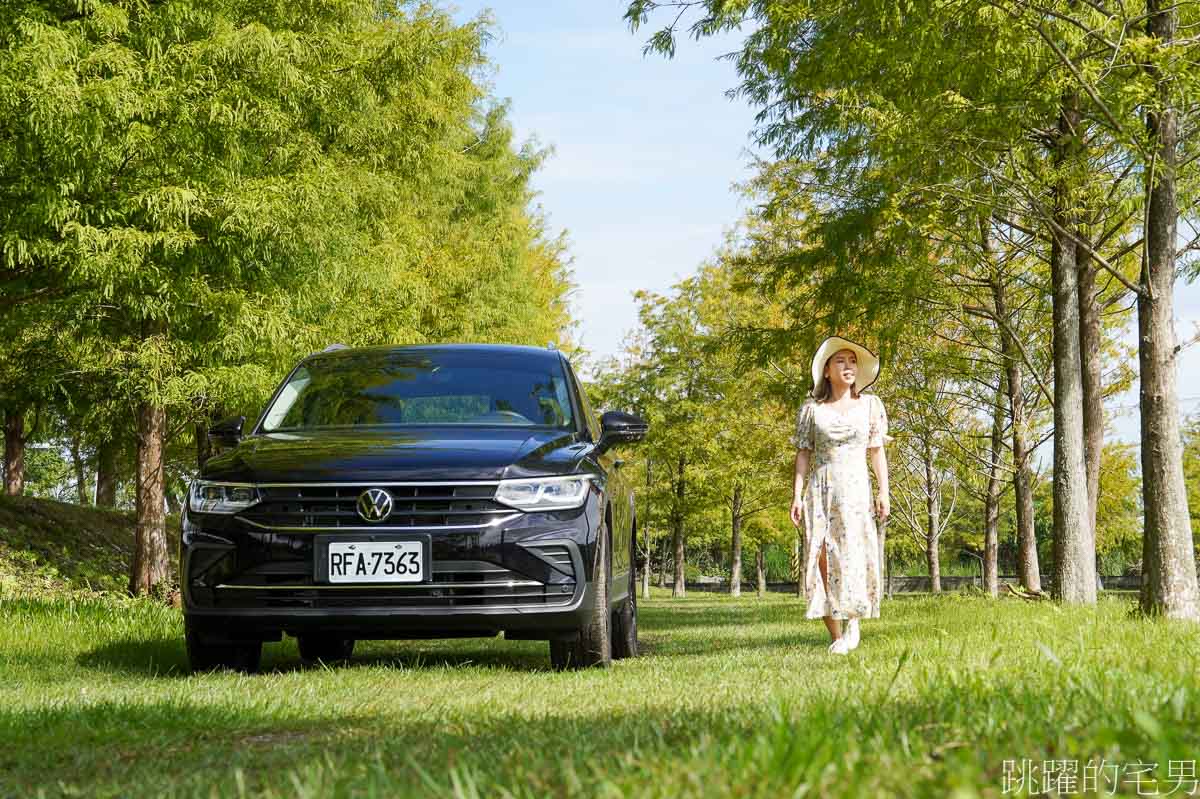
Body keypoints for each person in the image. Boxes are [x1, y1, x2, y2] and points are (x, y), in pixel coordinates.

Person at [789, 336, 891, 655]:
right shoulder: (812, 409)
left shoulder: (870, 406)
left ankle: (853, 620)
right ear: (827, 371)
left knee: (852, 554)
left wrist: (883, 491)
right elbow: (803, 453)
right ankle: (835, 634)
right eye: (841, 361)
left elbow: (876, 452)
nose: (848, 367)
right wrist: (796, 494)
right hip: (820, 488)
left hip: (856, 488)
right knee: (821, 556)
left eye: (852, 361)